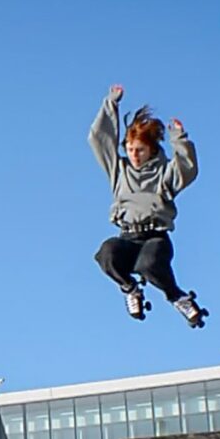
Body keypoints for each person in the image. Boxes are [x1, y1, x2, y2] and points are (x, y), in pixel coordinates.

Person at [88, 83, 208, 327]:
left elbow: (187, 169)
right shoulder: (119, 171)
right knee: (106, 253)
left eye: (140, 150)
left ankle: (178, 297)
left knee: (148, 265)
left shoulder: (164, 173)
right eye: (130, 149)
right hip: (127, 237)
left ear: (151, 149)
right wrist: (110, 104)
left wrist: (179, 139)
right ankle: (131, 289)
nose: (134, 155)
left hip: (155, 238)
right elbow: (99, 140)